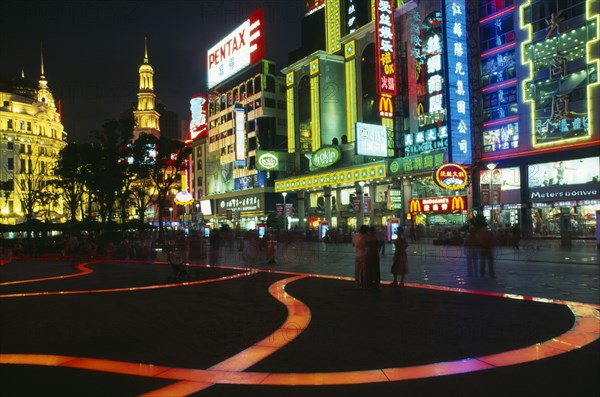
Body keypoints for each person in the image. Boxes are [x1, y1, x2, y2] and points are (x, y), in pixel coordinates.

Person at [352, 225, 369, 289]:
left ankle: (356, 285)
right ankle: (364, 285)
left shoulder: (355, 235)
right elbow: (366, 245)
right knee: (364, 271)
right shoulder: (365, 236)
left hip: (357, 255)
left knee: (357, 271)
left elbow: (353, 244)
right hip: (364, 255)